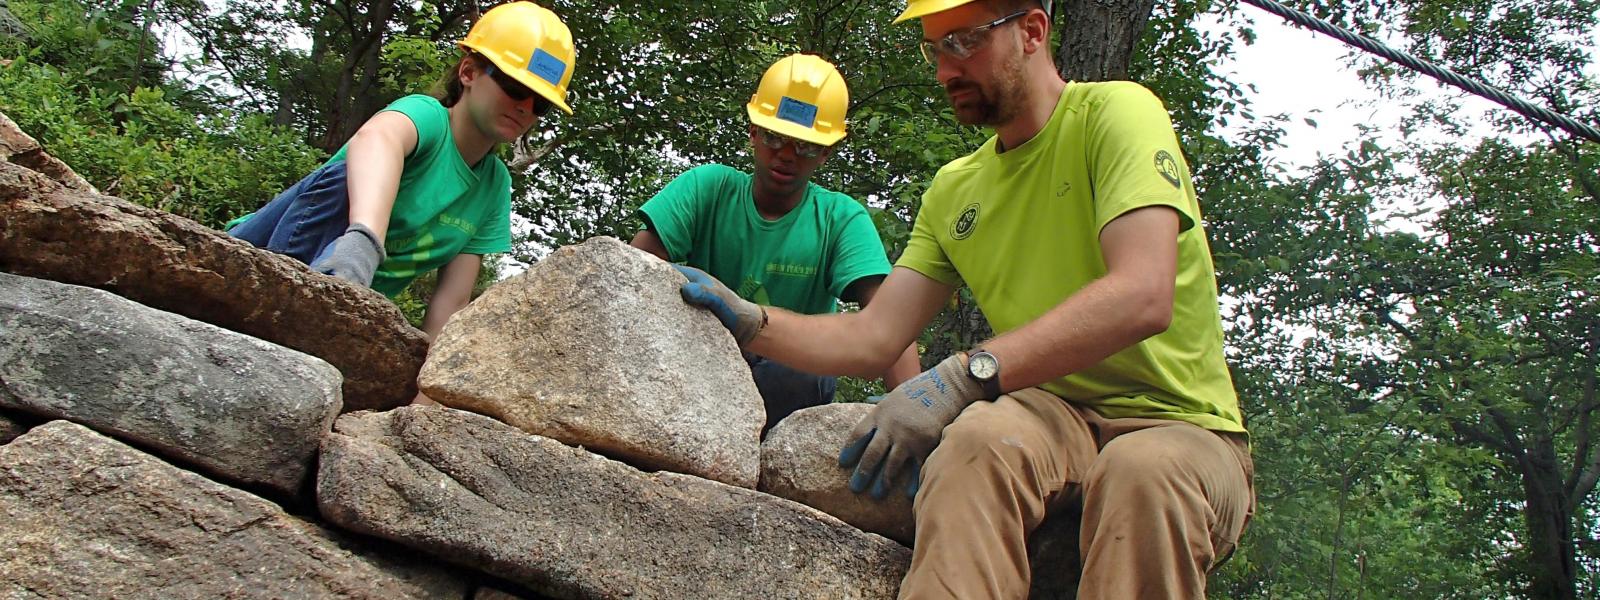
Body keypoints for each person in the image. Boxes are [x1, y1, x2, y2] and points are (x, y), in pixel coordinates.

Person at [673, 0, 1254, 597]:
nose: (945, 70)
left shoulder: (1116, 115)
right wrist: (753, 321)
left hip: (1182, 423)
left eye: (965, 41)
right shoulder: (956, 190)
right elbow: (876, 334)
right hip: (1051, 419)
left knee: (1144, 474)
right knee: (972, 445)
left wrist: (961, 379)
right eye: (935, 48)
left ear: (1032, 31)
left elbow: (1143, 293)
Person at [227, 1, 576, 342]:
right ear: (468, 72)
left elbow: (451, 301)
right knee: (344, 178)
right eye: (515, 87)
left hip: (347, 303)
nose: (525, 107)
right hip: (262, 251)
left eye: (541, 103)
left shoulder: (494, 185)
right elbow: (378, 138)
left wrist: (430, 390)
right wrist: (361, 246)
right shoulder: (426, 117)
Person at [632, 54, 920, 434]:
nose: (786, 154)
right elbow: (631, 273)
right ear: (753, 131)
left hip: (790, 382)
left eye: (805, 146)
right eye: (774, 137)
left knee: (798, 371)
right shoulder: (707, 189)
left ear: (826, 152)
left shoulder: (839, 218)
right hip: (697, 364)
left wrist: (913, 415)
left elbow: (890, 322)